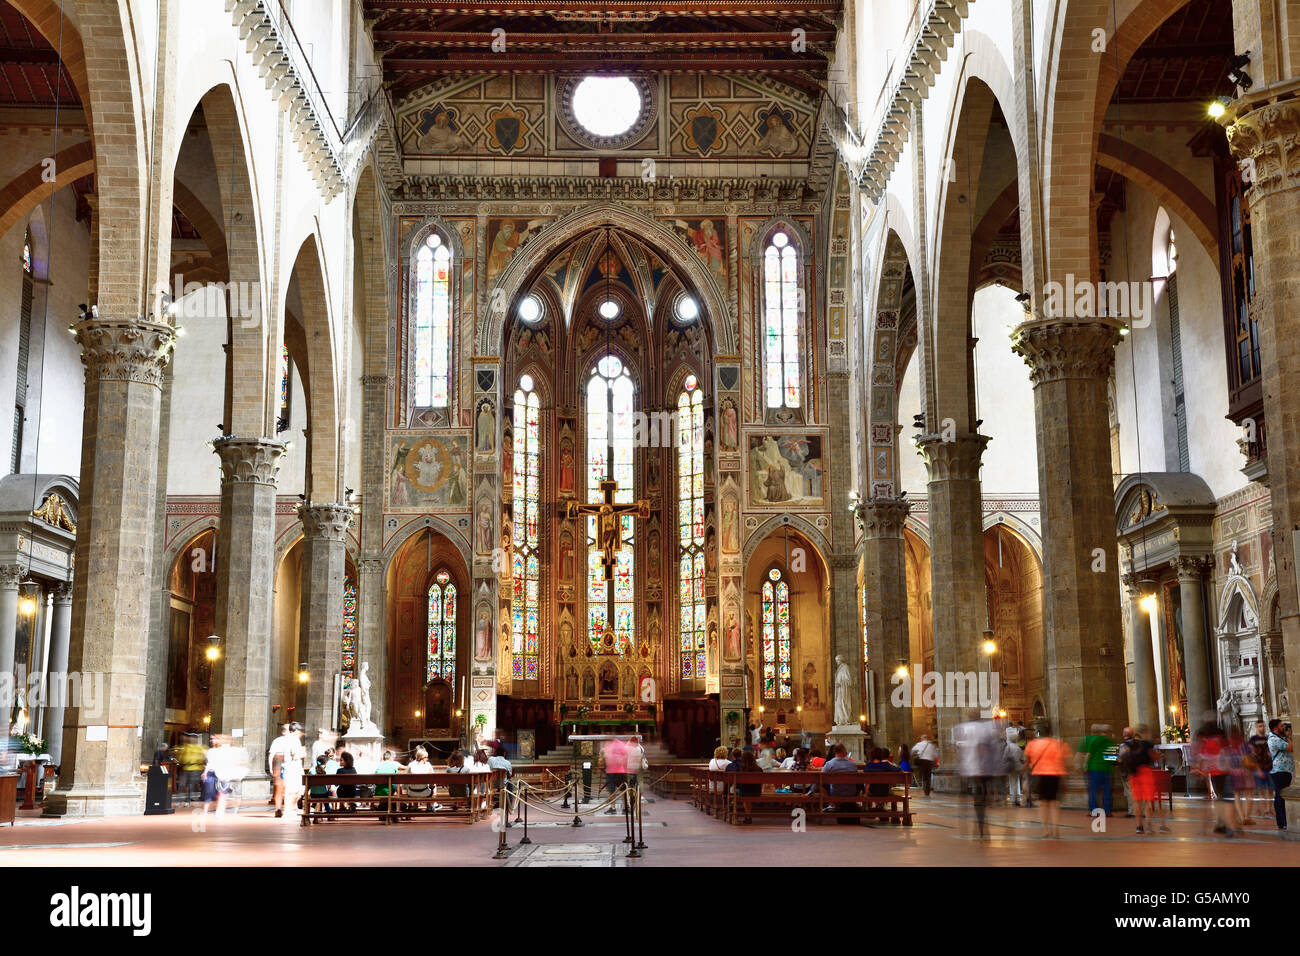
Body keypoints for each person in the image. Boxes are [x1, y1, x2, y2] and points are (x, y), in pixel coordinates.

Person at [1024, 720, 1072, 838]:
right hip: (1056, 775)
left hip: (1039, 775)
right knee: (1054, 803)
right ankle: (1055, 828)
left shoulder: (1032, 744)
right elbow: (1068, 761)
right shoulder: (1059, 744)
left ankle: (1046, 829)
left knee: (1043, 803)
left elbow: (1026, 761)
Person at [1194, 722, 1236, 837]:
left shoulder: (1209, 743)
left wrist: (1200, 770)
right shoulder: (1223, 742)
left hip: (1216, 774)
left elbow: (1203, 760)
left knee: (1221, 800)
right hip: (1227, 772)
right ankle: (1229, 826)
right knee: (1228, 801)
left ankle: (1222, 824)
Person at [1121, 726, 1161, 834]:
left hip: (1134, 774)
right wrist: (1159, 755)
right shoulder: (1147, 744)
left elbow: (1121, 758)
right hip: (1145, 772)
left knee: (1137, 801)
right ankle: (1148, 825)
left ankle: (1139, 826)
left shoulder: (1128, 745)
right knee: (1148, 801)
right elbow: (1155, 757)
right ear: (1145, 733)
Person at [1078, 723, 1117, 818]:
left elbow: (1086, 754)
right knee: (1107, 790)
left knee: (1093, 790)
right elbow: (1112, 757)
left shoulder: (1088, 739)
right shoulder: (1110, 741)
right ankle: (1107, 811)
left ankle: (1094, 811)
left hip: (1093, 768)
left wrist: (1080, 765)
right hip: (1107, 769)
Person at [820, 743, 862, 820]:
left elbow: (821, 778)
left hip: (835, 793)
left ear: (834, 752)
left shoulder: (829, 764)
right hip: (851, 793)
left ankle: (831, 803)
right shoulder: (852, 764)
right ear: (844, 751)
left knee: (821, 784)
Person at [1267, 719, 1293, 830]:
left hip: (1283, 770)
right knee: (1281, 797)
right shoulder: (1274, 739)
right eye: (1281, 726)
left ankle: (1281, 822)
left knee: (1280, 796)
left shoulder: (1277, 738)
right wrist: (1289, 736)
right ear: (1275, 729)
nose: (1283, 728)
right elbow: (1290, 748)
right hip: (1280, 771)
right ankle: (1283, 821)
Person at [280, 722, 306, 819]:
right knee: (294, 790)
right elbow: (295, 755)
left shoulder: (286, 739)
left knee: (292, 790)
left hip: (288, 766)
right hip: (293, 768)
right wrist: (303, 752)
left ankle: (290, 810)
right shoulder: (294, 740)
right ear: (295, 731)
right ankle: (288, 811)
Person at [266, 723, 293, 817]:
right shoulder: (277, 741)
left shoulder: (293, 741)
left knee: (289, 788)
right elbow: (271, 754)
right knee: (279, 788)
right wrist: (270, 767)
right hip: (279, 764)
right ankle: (278, 809)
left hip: (290, 765)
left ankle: (287, 809)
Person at [173, 734, 206, 807]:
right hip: (186, 768)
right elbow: (180, 756)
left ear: (196, 740)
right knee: (182, 784)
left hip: (196, 768)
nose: (192, 740)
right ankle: (179, 801)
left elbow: (204, 757)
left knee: (191, 785)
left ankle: (188, 800)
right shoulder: (185, 747)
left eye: (193, 739)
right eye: (191, 739)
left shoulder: (200, 748)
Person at [602, 736, 628, 814]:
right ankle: (612, 808)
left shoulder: (619, 743)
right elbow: (605, 756)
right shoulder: (607, 744)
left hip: (620, 771)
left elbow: (626, 755)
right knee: (611, 790)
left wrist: (621, 760)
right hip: (610, 771)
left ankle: (625, 807)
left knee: (623, 790)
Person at [1115, 727, 1137, 817]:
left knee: (1130, 791)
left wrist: (1115, 761)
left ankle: (1132, 811)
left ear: (1124, 734)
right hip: (1137, 770)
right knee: (1137, 791)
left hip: (1127, 771)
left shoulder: (1123, 745)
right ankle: (1141, 811)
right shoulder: (1138, 744)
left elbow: (1120, 759)